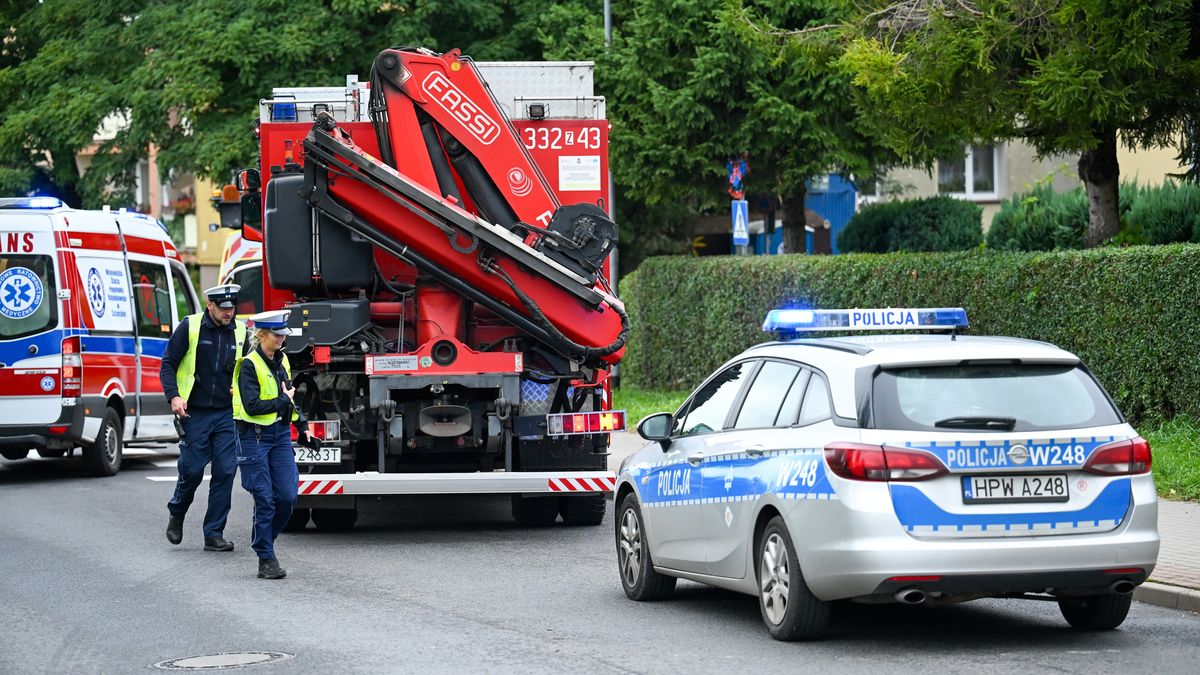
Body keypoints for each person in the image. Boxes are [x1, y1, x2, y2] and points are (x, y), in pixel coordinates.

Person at [160, 284, 246, 551]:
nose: (228, 313)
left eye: (232, 308)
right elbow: (168, 364)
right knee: (193, 470)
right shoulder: (191, 327)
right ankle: (177, 512)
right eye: (223, 308)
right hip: (194, 411)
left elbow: (250, 367)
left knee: (225, 472)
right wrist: (174, 396)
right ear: (210, 305)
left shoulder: (242, 332)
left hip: (226, 413)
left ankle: (214, 533)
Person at [233, 310, 312, 580]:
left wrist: (303, 426)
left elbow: (289, 400)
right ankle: (266, 557)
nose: (282, 340)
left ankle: (264, 540)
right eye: (277, 335)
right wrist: (284, 400)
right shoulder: (248, 365)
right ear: (262, 335)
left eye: (283, 335)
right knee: (265, 500)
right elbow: (253, 406)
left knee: (287, 497)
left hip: (279, 437)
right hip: (253, 437)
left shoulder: (283, 360)